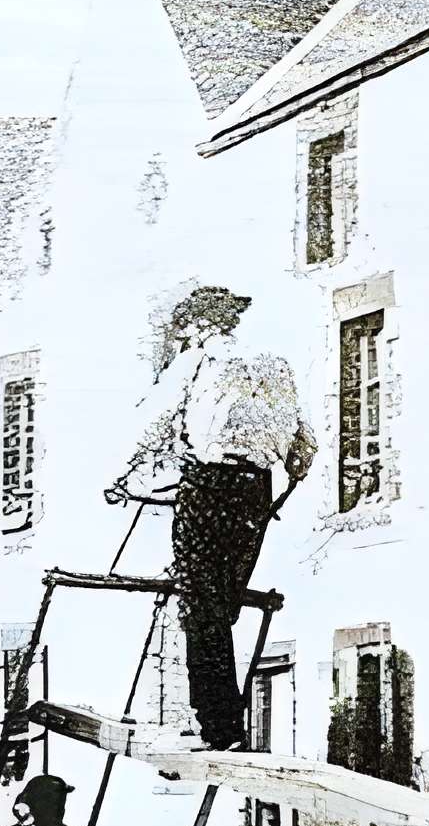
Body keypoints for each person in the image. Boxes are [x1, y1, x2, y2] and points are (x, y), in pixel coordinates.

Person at [108, 287, 316, 752]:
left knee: (201, 610)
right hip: (254, 494)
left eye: (189, 332)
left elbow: (157, 423)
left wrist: (124, 475)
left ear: (201, 327)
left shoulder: (202, 364)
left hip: (207, 488)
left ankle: (220, 730)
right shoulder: (276, 367)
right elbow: (306, 442)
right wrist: (284, 485)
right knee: (222, 607)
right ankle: (229, 724)